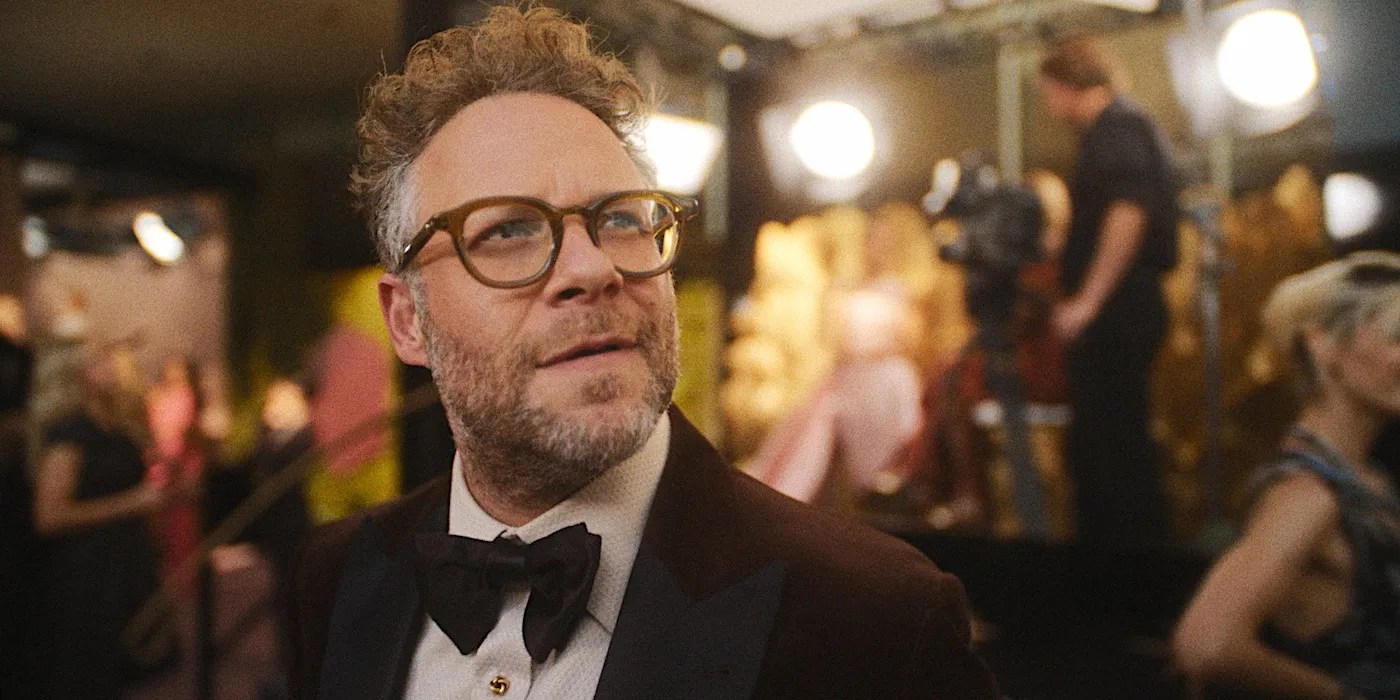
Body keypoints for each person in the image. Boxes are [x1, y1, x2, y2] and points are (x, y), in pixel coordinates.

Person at [290, 7, 998, 699]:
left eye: (623, 217)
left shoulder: (876, 621)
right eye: (507, 231)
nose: (594, 268)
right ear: (408, 320)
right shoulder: (337, 583)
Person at [1173, 252, 1400, 699]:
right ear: (1323, 346)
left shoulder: (1368, 480)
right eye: (1398, 336)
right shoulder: (1308, 493)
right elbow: (1206, 645)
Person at [1037, 35, 1179, 546]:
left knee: (1112, 452)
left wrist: (1087, 303)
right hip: (1121, 308)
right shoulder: (1123, 129)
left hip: (1119, 312)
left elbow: (1127, 213)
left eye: (1048, 92)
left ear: (1067, 84)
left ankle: (1120, 567)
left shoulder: (1117, 129)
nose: (1048, 106)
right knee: (1110, 446)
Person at [32, 345, 184, 698]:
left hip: (129, 564)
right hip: (90, 572)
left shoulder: (120, 429)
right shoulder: (71, 433)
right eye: (99, 361)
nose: (112, 366)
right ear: (75, 375)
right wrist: (131, 503)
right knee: (91, 674)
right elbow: (49, 516)